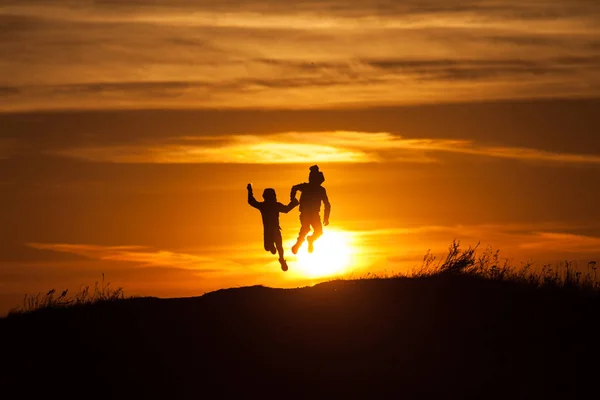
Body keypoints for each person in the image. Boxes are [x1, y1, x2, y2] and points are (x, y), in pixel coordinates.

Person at [247, 183, 299, 271]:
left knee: (278, 246)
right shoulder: (268, 205)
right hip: (270, 230)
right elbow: (286, 209)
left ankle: (281, 259)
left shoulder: (269, 205)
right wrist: (294, 203)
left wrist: (250, 191)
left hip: (273, 230)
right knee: (270, 247)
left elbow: (252, 201)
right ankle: (274, 250)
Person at [290, 165, 331, 254]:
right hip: (305, 213)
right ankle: (298, 244)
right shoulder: (306, 186)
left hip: (314, 214)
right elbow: (294, 188)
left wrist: (326, 217)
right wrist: (292, 199)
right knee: (305, 228)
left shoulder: (320, 190)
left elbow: (327, 204)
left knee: (318, 231)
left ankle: (310, 240)